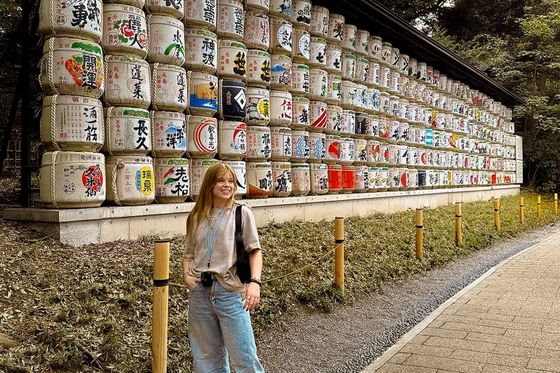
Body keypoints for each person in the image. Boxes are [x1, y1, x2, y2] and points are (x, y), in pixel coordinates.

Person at [183, 163, 265, 373]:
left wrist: (254, 283)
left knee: (244, 358)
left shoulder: (241, 213)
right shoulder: (196, 216)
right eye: (221, 180)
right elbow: (189, 254)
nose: (227, 185)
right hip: (200, 293)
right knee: (206, 359)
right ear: (210, 184)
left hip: (230, 292)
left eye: (231, 181)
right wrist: (187, 276)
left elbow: (254, 251)